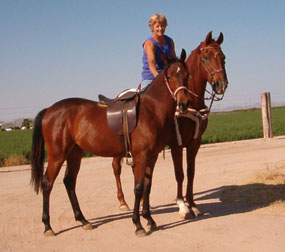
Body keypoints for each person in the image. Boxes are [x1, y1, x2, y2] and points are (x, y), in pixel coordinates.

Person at [141, 14, 176, 91]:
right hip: (151, 78)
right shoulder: (149, 44)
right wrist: (161, 80)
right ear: (152, 27)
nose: (160, 29)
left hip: (168, 76)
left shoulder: (170, 41)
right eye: (157, 26)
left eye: (162, 26)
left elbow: (174, 61)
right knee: (144, 99)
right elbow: (152, 66)